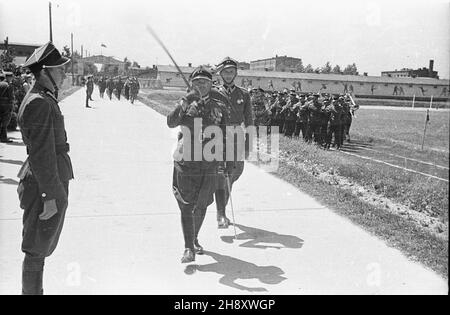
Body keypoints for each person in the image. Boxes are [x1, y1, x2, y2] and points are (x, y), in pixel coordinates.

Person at [17, 42, 74, 295]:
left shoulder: (43, 98)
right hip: (44, 185)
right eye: (59, 69)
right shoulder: (40, 102)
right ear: (44, 72)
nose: (64, 74)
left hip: (46, 181)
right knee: (36, 249)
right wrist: (50, 196)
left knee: (39, 247)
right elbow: (42, 156)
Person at [167, 66, 229, 263]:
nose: (201, 85)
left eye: (205, 82)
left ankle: (193, 239)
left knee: (202, 204)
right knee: (186, 205)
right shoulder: (185, 103)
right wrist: (185, 102)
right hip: (186, 162)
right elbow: (171, 122)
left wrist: (224, 162)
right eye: (197, 82)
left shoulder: (220, 106)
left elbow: (224, 136)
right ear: (191, 84)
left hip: (209, 164)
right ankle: (188, 248)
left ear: (211, 85)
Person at [213, 57, 253, 229]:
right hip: (217, 135)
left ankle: (221, 210)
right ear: (220, 73)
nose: (228, 75)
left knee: (235, 173)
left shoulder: (244, 94)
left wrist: (248, 145)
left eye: (231, 72)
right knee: (221, 175)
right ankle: (221, 214)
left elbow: (250, 120)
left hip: (236, 134)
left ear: (236, 73)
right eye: (225, 72)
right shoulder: (214, 92)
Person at [0, 72, 14, 143]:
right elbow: (11, 97)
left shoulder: (0, 83)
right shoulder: (9, 85)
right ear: (9, 77)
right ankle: (3, 137)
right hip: (6, 105)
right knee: (5, 121)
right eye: (11, 77)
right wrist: (11, 106)